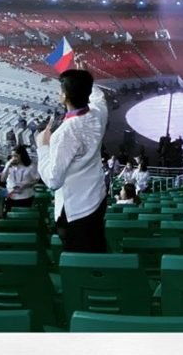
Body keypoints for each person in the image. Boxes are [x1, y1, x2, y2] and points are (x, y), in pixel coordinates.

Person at [36, 61, 108, 253]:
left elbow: (53, 180)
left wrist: (43, 147)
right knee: (96, 247)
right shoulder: (98, 113)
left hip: (76, 209)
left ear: (64, 96)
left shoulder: (65, 132)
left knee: (79, 256)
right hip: (97, 198)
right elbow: (99, 98)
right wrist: (86, 78)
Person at [0, 145, 40, 211]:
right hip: (11, 196)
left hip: (26, 196)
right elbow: (2, 179)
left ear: (22, 156)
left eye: (16, 156)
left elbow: (36, 180)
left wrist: (26, 185)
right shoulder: (10, 165)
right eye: (12, 156)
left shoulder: (31, 166)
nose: (14, 158)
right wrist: (7, 166)